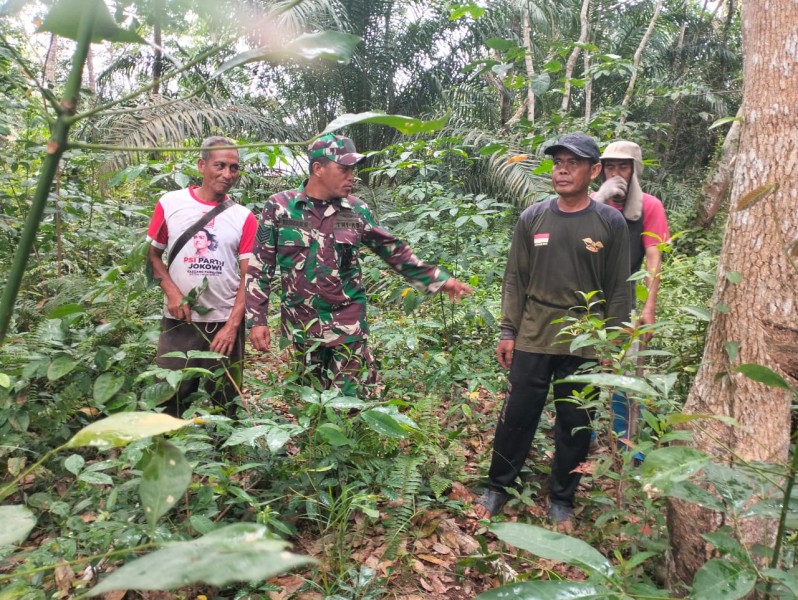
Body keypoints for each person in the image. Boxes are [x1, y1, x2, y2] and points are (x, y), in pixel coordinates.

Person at [473, 132, 631, 529]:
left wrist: (611, 341)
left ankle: (562, 497)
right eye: (558, 161)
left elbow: (619, 288)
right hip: (533, 335)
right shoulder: (533, 217)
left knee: (574, 424)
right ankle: (497, 486)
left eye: (573, 162)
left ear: (594, 171)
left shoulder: (609, 222)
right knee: (516, 417)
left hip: (584, 341)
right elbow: (515, 279)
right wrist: (508, 330)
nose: (562, 169)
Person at [245, 133, 472, 397]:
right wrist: (257, 319)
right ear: (318, 169)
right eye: (344, 169)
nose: (352, 176)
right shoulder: (280, 207)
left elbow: (392, 250)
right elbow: (261, 265)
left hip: (347, 324)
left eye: (353, 169)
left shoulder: (356, 210)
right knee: (312, 401)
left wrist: (438, 279)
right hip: (301, 326)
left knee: (351, 401)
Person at [147, 136, 257, 417]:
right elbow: (151, 255)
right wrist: (172, 292)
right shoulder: (171, 203)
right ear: (201, 165)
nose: (227, 174)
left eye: (234, 168)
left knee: (225, 401)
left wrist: (232, 326)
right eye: (220, 165)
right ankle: (166, 452)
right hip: (179, 322)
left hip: (223, 323)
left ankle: (224, 455)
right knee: (170, 396)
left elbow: (250, 277)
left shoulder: (244, 217)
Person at [592, 141, 670, 455]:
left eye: (622, 166)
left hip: (624, 301)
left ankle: (626, 443)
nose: (616, 173)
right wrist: (599, 199)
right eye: (610, 166)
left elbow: (653, 258)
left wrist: (648, 308)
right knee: (585, 368)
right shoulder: (590, 203)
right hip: (586, 300)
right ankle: (580, 437)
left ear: (634, 169)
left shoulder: (649, 206)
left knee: (624, 375)